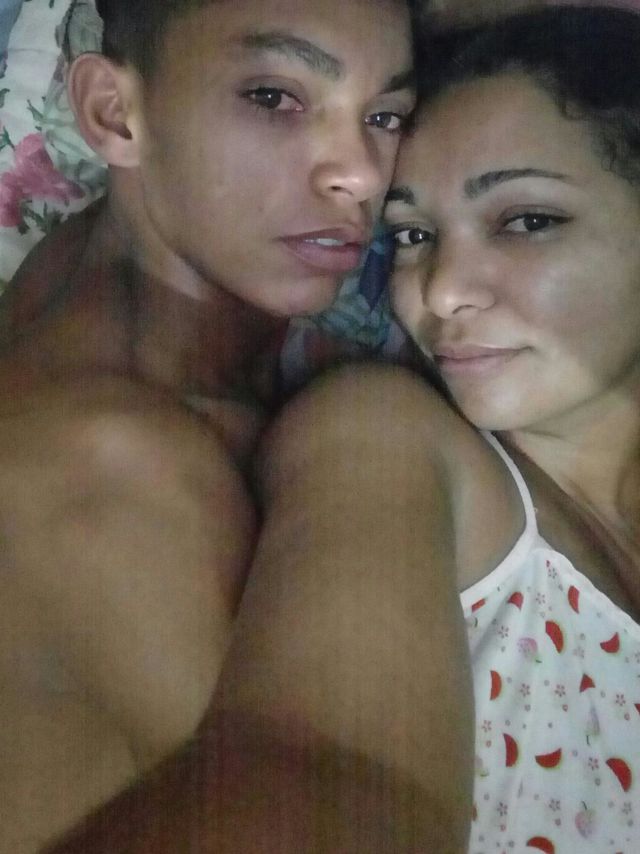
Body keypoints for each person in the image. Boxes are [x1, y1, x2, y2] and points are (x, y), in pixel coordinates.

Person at [0, 0, 474, 851]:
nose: (361, 175)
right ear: (113, 114)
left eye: (384, 115)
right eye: (273, 97)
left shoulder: (100, 266)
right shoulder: (119, 473)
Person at [381, 5, 640, 850]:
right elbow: (315, 761)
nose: (442, 288)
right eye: (412, 235)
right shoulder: (391, 449)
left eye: (526, 220)